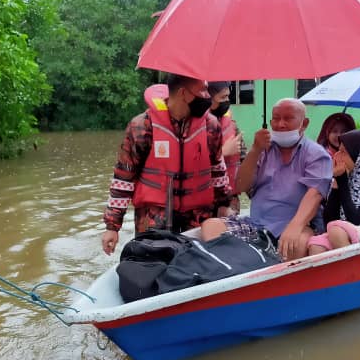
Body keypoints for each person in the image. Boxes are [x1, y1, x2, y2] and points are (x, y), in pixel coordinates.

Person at [101, 74, 233, 255]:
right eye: (201, 91)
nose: (206, 97)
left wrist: (224, 204)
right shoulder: (142, 126)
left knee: (197, 266)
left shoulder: (211, 126)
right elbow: (124, 178)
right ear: (183, 93)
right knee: (153, 266)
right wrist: (112, 227)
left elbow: (218, 170)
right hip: (153, 217)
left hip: (197, 215)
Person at [200, 98, 332, 261]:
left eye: (288, 118)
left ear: (304, 123)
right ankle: (244, 264)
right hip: (254, 221)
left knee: (296, 245)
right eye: (275, 119)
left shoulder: (317, 154)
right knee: (210, 227)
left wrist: (295, 226)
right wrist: (255, 150)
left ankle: (254, 264)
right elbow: (241, 188)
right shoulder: (263, 149)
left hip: (293, 223)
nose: (280, 124)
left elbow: (315, 195)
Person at [207, 81, 246, 214]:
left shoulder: (232, 126)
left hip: (230, 200)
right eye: (223, 97)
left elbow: (243, 161)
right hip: (205, 201)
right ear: (208, 97)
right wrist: (223, 152)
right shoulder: (195, 127)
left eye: (228, 96)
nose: (227, 101)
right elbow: (190, 165)